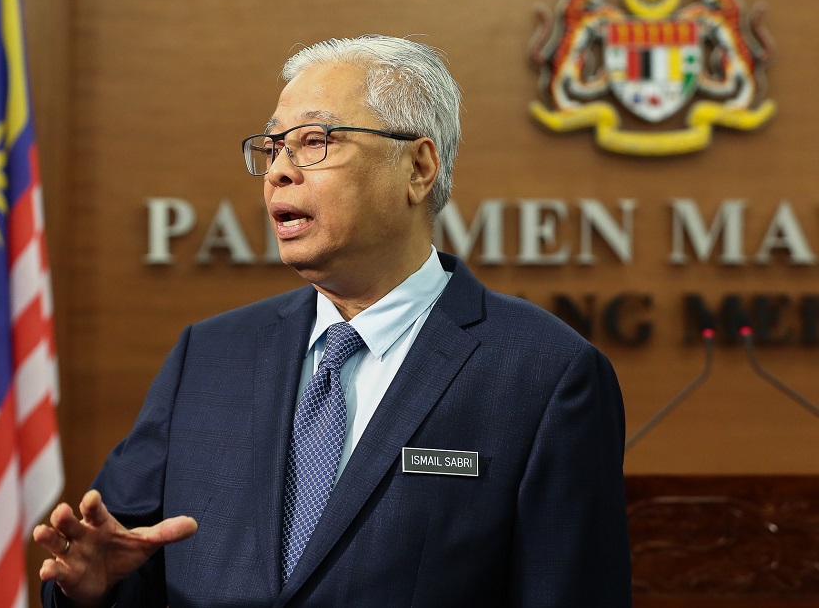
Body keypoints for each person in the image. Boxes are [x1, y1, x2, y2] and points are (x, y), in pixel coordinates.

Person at [35, 34, 632, 607]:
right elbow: (125, 555)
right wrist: (95, 592)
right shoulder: (209, 356)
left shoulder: (546, 374)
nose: (279, 171)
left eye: (315, 140)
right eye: (273, 148)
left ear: (419, 168)